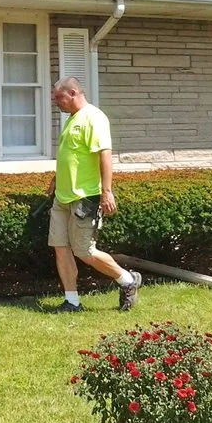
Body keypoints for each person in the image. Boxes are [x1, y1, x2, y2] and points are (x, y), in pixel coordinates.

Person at [47, 77, 141, 312]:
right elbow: (72, 155)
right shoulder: (71, 120)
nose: (56, 103)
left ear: (73, 93)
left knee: (84, 251)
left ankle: (127, 281)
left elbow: (104, 155)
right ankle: (72, 301)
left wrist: (106, 191)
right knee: (60, 246)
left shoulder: (94, 117)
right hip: (63, 197)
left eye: (59, 98)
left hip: (84, 197)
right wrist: (56, 179)